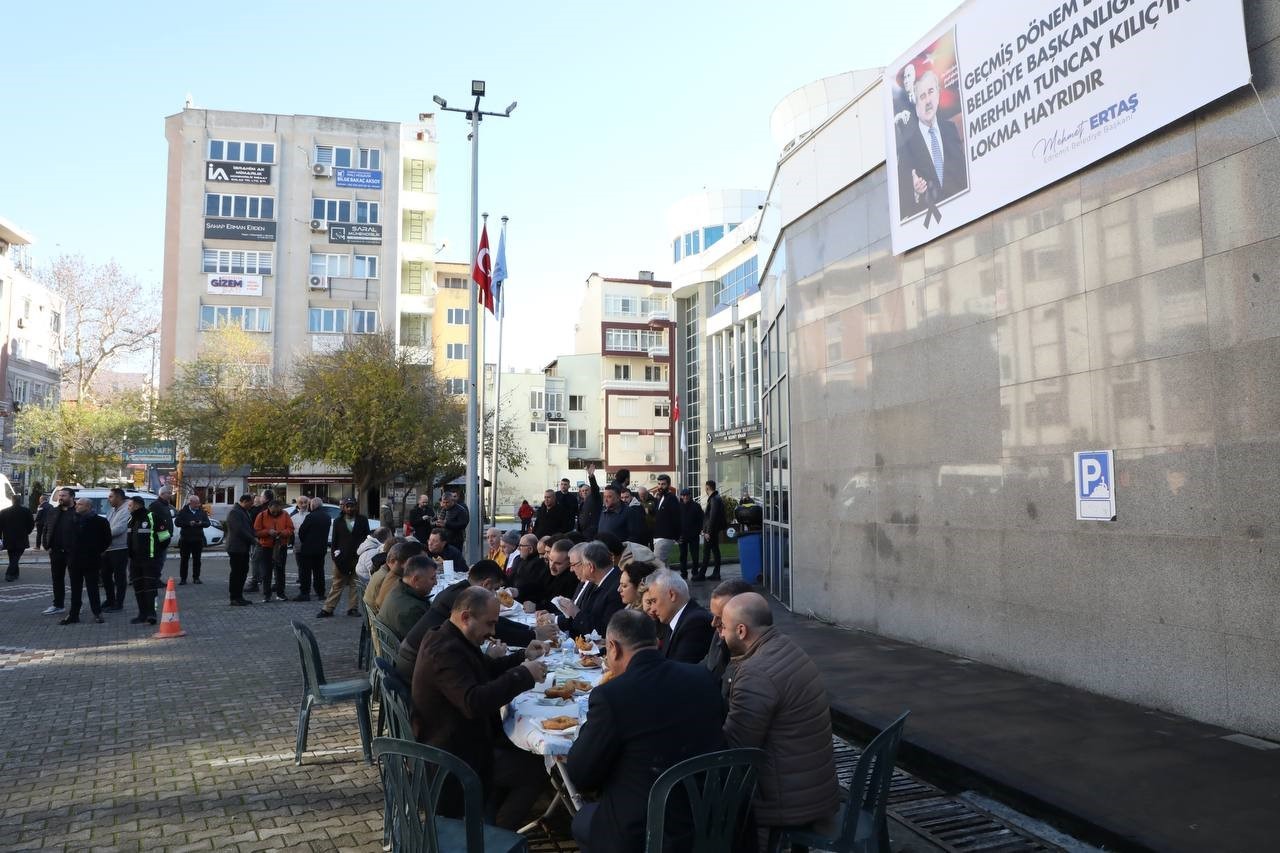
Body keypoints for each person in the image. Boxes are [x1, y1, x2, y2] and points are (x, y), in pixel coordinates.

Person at [566, 609, 729, 853]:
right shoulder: (702, 677)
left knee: (583, 820)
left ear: (613, 647)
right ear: (656, 643)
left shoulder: (612, 696)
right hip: (711, 817)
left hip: (647, 829)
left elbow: (580, 774)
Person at [411, 587, 550, 829]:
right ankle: (493, 836)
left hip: (461, 742)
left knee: (526, 751)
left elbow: (482, 668)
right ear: (466, 617)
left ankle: (490, 816)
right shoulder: (445, 650)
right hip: (453, 759)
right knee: (536, 771)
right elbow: (473, 702)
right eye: (489, 624)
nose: (493, 632)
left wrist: (521, 658)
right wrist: (522, 675)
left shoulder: (450, 636)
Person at [720, 592, 842, 843]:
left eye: (722, 626)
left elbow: (735, 749)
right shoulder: (786, 646)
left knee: (702, 811)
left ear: (741, 630)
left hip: (787, 802)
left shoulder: (757, 672)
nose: (720, 634)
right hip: (814, 789)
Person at [397, 560, 537, 680]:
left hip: (410, 659)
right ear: (486, 584)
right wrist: (533, 636)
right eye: (494, 590)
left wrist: (529, 630)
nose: (495, 595)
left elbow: (495, 623)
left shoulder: (459, 590)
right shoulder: (467, 600)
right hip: (413, 667)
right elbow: (474, 696)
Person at [896, 67, 967, 219]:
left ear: (938, 94)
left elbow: (962, 172)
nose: (928, 101)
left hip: (961, 213)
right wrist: (915, 190)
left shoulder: (950, 129)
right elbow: (903, 202)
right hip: (932, 225)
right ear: (915, 105)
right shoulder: (907, 147)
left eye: (931, 92)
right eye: (922, 96)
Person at [554, 540, 623, 637]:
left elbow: (604, 631)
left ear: (590, 567)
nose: (572, 569)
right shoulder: (599, 581)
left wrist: (576, 613)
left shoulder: (616, 588)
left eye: (582, 565)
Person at [646, 568, 714, 664]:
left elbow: (678, 671)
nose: (652, 609)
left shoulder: (696, 623)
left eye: (654, 601)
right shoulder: (675, 621)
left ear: (672, 595)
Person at [64, 498, 112, 625]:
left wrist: (96, 550)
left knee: (92, 588)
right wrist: (69, 551)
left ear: (88, 507)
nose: (76, 506)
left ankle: (97, 613)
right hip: (74, 560)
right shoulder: (72, 520)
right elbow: (66, 538)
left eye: (80, 504)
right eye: (77, 504)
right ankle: (73, 615)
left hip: (92, 560)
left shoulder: (100, 521)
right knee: (75, 589)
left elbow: (107, 540)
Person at [319, 497, 369, 617]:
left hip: (358, 557)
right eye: (348, 506)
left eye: (352, 506)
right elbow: (334, 541)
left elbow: (367, 538)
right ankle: (328, 608)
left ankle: (353, 608)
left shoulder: (362, 520)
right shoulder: (338, 521)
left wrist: (364, 554)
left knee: (355, 584)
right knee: (337, 585)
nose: (350, 508)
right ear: (344, 507)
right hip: (341, 558)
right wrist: (334, 557)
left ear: (356, 506)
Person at [700, 579, 754, 691]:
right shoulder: (720, 634)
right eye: (713, 615)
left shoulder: (756, 669)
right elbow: (705, 667)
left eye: (720, 618)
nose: (713, 623)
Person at [375, 553, 439, 640]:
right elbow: (429, 643)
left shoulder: (397, 589)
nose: (436, 583)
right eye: (432, 578)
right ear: (415, 579)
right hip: (405, 651)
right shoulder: (413, 610)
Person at [126, 495, 168, 625]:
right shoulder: (131, 519)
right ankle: (142, 614)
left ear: (137, 505)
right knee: (138, 587)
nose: (128, 508)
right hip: (135, 561)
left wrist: (155, 553)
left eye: (130, 505)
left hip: (150, 560)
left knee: (150, 588)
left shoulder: (152, 517)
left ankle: (152, 613)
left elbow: (165, 537)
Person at [363, 539, 424, 615]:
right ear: (393, 561)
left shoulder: (384, 570)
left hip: (378, 618)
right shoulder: (389, 578)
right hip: (381, 619)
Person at [40, 488, 76, 615]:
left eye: (64, 495)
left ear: (72, 497)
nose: (60, 498)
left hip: (73, 552)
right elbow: (46, 528)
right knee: (57, 579)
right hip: (56, 551)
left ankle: (76, 606)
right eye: (60, 495)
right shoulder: (53, 511)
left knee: (75, 579)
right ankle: (58, 605)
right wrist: (46, 544)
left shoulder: (78, 511)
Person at [252, 500, 293, 602]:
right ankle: (267, 594)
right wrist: (268, 532)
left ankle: (280, 593)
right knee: (266, 571)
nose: (275, 513)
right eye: (273, 511)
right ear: (269, 508)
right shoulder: (261, 515)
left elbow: (290, 529)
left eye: (277, 511)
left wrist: (282, 533)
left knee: (280, 570)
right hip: (266, 546)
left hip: (281, 546)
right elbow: (256, 531)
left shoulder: (285, 514)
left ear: (280, 508)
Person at [294, 497, 330, 601]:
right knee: (319, 572)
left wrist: (305, 541)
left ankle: (305, 593)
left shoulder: (310, 517)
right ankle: (320, 593)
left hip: (308, 549)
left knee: (306, 572)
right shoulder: (327, 517)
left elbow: (302, 531)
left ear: (313, 506)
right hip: (321, 549)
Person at [101, 488, 131, 611]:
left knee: (119, 577)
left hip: (120, 548)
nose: (109, 499)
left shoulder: (126, 510)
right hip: (108, 548)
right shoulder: (112, 510)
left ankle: (119, 603)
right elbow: (106, 525)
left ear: (118, 497)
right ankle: (110, 599)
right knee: (105, 576)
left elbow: (119, 529)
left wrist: (101, 534)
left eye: (111, 497)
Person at [225, 494, 255, 606]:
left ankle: (239, 596)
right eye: (251, 503)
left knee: (243, 572)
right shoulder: (235, 512)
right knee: (237, 573)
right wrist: (253, 540)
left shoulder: (243, 511)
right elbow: (239, 530)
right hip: (236, 548)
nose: (252, 505)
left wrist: (254, 536)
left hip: (243, 547)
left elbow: (248, 528)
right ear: (245, 501)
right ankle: (234, 597)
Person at [174, 495, 210, 585]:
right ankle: (183, 579)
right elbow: (177, 522)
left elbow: (208, 523)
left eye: (198, 503)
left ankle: (196, 578)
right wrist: (188, 523)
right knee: (184, 560)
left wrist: (201, 523)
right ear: (190, 502)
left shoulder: (202, 512)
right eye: (196, 503)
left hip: (198, 539)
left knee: (197, 560)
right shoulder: (183, 511)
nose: (198, 505)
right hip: (185, 539)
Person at [540, 538, 581, 612]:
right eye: (551, 560)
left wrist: (536, 606)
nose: (552, 566)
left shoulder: (573, 580)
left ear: (570, 563)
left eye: (558, 563)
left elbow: (560, 607)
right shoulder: (547, 570)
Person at [0, 493, 34, 582]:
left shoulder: (3, 511)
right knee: (15, 557)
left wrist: (0, 537)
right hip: (21, 538)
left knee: (12, 557)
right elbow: (31, 524)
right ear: (20, 500)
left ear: (12, 500)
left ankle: (15, 574)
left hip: (8, 538)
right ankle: (9, 574)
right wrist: (27, 532)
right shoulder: (26, 511)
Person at [508, 533, 550, 604]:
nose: (518, 548)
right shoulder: (519, 559)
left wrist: (517, 591)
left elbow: (534, 586)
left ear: (530, 549)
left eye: (521, 546)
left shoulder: (539, 563)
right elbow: (511, 578)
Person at [651, 475, 680, 570]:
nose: (660, 486)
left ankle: (656, 584)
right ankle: (669, 584)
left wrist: (677, 536)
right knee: (664, 566)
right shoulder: (660, 498)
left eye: (663, 484)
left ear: (668, 485)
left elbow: (676, 518)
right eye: (659, 484)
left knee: (657, 564)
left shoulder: (672, 499)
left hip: (666, 537)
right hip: (658, 536)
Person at [700, 480, 726, 582]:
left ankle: (702, 574)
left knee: (706, 552)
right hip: (713, 530)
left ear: (707, 487)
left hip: (711, 531)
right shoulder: (715, 498)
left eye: (705, 488)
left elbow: (712, 517)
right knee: (715, 551)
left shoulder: (714, 499)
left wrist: (708, 532)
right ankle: (716, 573)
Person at [150, 486, 176, 580]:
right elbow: (152, 521)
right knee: (158, 559)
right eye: (168, 493)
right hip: (159, 536)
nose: (170, 495)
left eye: (170, 493)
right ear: (162, 494)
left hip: (166, 535)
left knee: (162, 559)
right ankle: (155, 579)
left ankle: (157, 577)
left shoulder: (166, 505)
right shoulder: (155, 505)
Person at [678, 488, 704, 580]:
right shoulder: (678, 506)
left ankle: (695, 572)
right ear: (681, 496)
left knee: (695, 555)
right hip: (682, 535)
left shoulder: (696, 506)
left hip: (693, 535)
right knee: (682, 556)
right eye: (683, 495)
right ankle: (683, 573)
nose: (685, 497)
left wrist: (699, 530)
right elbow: (675, 521)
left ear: (690, 496)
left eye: (687, 495)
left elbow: (701, 519)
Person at [576, 463, 602, 538]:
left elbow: (595, 488)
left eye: (586, 490)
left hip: (592, 534)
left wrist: (591, 476)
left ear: (590, 491)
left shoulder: (594, 498)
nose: (584, 492)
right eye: (582, 491)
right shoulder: (581, 503)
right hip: (582, 534)